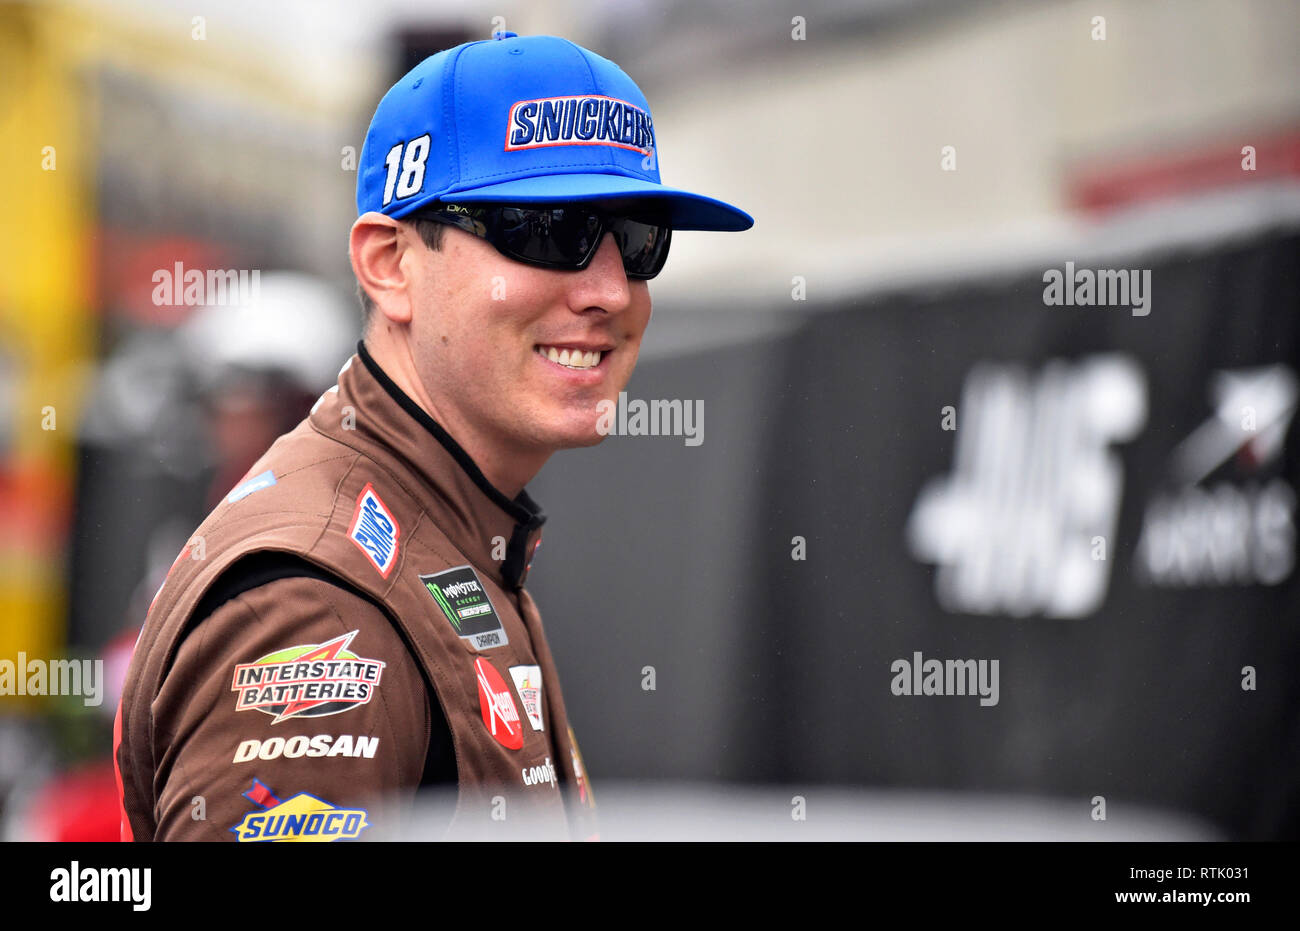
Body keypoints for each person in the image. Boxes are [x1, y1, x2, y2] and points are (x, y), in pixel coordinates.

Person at [114, 30, 752, 842]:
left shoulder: (456, 525)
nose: (609, 289)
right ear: (389, 263)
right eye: (547, 229)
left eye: (636, 238)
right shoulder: (315, 608)